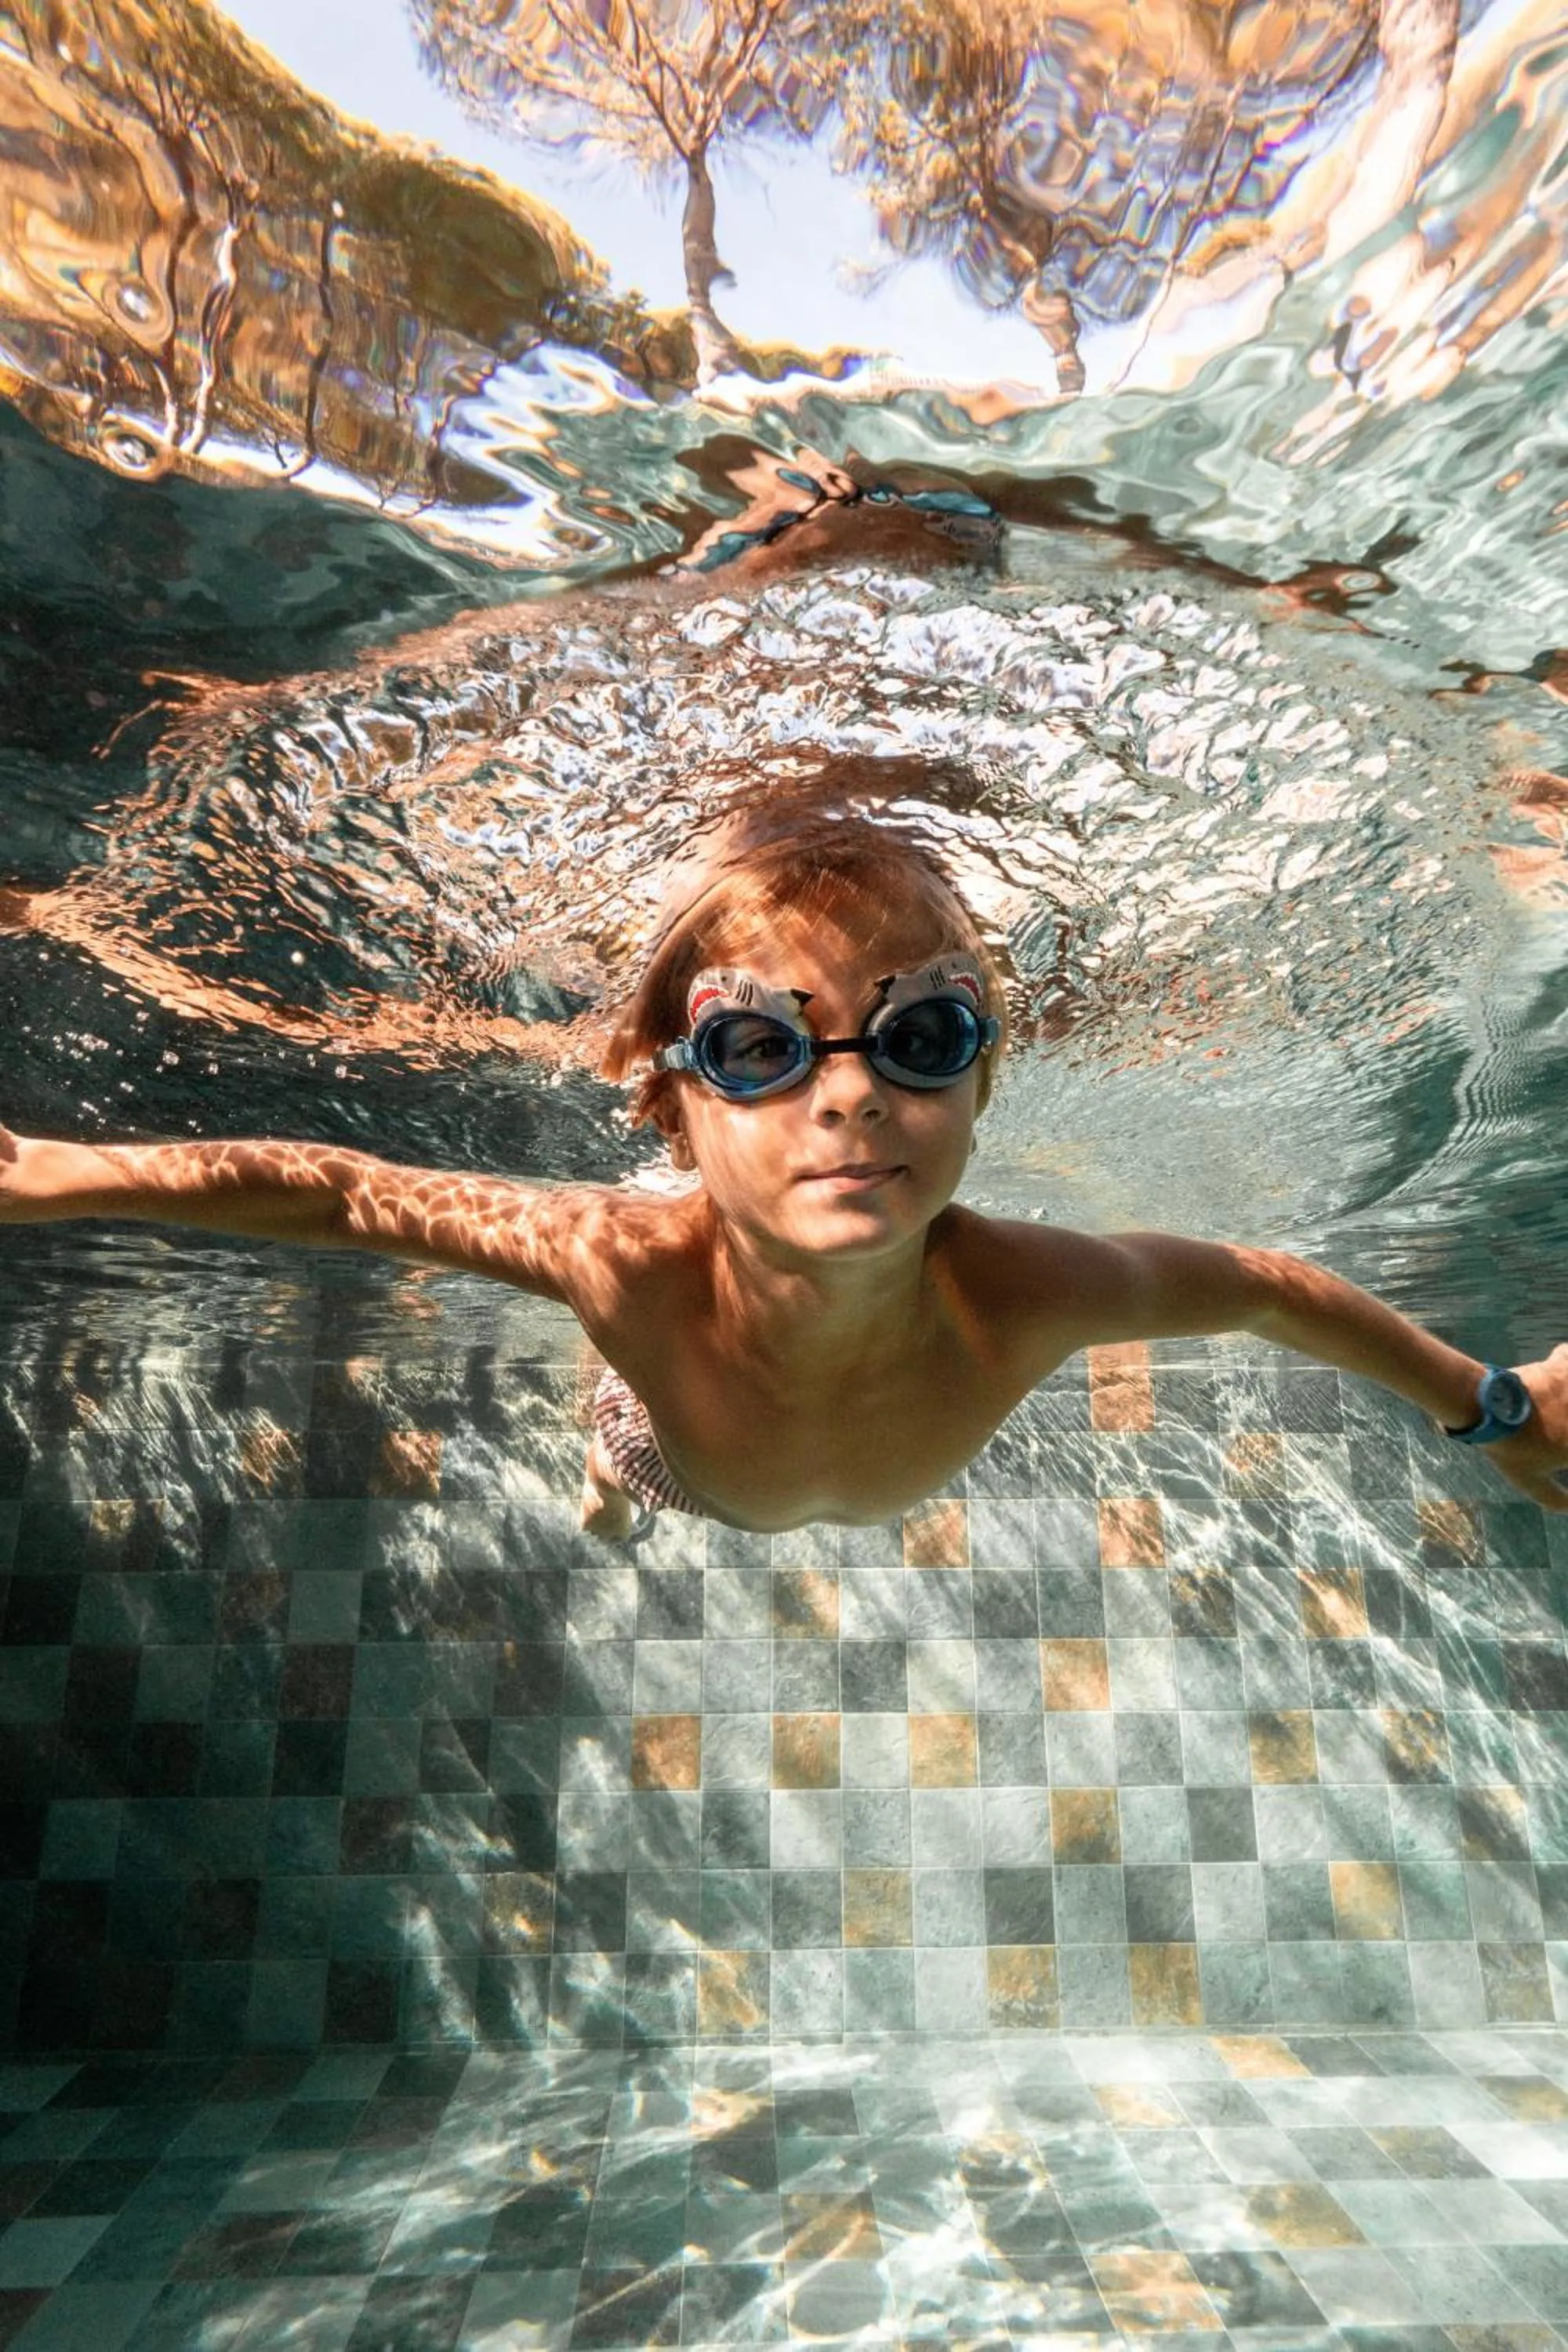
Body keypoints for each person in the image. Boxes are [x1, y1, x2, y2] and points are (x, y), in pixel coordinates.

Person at [2, 808, 1565, 1540]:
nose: (846, 1098)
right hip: (688, 1458)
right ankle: (612, 1480)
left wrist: (1491, 1407)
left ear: (979, 1086)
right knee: (624, 1466)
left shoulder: (1018, 1286)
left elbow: (1256, 1289)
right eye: (760, 1048)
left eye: (922, 1036)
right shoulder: (626, 1259)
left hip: (805, 1461)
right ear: (676, 1105)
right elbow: (341, 1190)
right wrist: (52, 1173)